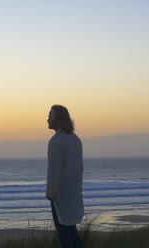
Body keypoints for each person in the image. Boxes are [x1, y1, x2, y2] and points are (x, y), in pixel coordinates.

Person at [46, 104, 84, 248]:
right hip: (73, 192)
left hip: (60, 194)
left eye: (50, 116)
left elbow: (54, 171)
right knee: (71, 229)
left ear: (58, 120)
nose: (47, 119)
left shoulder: (56, 141)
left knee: (64, 232)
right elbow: (79, 169)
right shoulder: (75, 139)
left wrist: (50, 192)